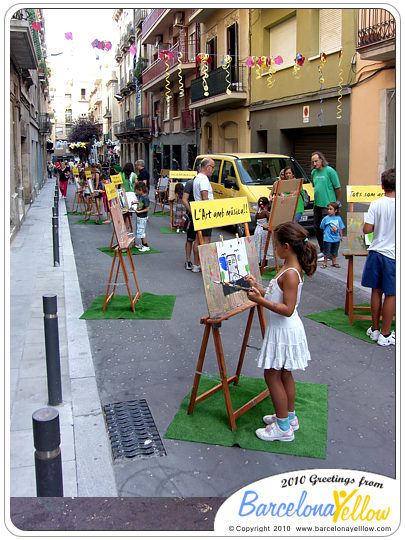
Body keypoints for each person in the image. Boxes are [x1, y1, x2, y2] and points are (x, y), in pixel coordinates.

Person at [245, 222, 318, 442]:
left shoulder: (291, 273)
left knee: (272, 374)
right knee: (284, 373)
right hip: (283, 330)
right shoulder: (288, 266)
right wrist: (259, 288)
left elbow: (287, 309)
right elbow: (276, 294)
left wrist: (259, 300)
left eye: (276, 245)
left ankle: (284, 427)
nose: (274, 249)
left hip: (284, 330)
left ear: (286, 246)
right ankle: (289, 416)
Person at [361, 168, 395, 347]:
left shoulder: (376, 204)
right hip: (393, 255)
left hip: (376, 252)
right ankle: (386, 333)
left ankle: (375, 329)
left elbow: (367, 229)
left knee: (376, 290)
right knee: (391, 294)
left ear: (382, 185)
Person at [311, 152, 341, 260]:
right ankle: (323, 250)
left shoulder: (330, 171)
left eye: (316, 161)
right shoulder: (314, 172)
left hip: (327, 205)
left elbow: (338, 187)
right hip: (317, 204)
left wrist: (335, 201)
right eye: (313, 161)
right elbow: (316, 187)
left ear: (321, 160)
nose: (314, 163)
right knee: (317, 227)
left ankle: (328, 253)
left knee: (328, 230)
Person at [191, 158, 215, 272]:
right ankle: (204, 266)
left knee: (198, 238)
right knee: (205, 241)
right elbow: (205, 197)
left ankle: (196, 264)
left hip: (199, 212)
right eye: (213, 167)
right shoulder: (204, 180)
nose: (213, 170)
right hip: (205, 213)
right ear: (208, 167)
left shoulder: (197, 178)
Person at [319, 202, 345, 269]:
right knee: (326, 251)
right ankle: (325, 263)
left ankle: (334, 262)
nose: (329, 211)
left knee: (334, 251)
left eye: (331, 209)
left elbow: (340, 227)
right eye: (328, 209)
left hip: (336, 238)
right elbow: (322, 226)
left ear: (335, 210)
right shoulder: (326, 218)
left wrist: (341, 236)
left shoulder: (338, 218)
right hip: (328, 238)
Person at [182, 175, 200, 271]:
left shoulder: (205, 182)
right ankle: (188, 260)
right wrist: (191, 211)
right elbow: (184, 199)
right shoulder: (190, 183)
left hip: (202, 215)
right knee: (190, 239)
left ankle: (197, 262)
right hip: (193, 215)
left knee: (199, 239)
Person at [134, 182, 150, 252]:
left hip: (142, 216)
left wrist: (139, 212)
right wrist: (135, 203)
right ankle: (142, 244)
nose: (136, 192)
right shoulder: (141, 196)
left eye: (136, 190)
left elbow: (147, 208)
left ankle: (145, 245)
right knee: (139, 230)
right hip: (139, 216)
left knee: (141, 231)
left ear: (139, 189)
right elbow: (141, 203)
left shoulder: (145, 197)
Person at [254, 196, 270, 265]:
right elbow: (270, 221)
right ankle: (264, 264)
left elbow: (256, 221)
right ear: (267, 204)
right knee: (264, 247)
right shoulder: (265, 212)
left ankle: (258, 262)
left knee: (258, 245)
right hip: (264, 231)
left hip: (257, 230)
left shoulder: (257, 213)